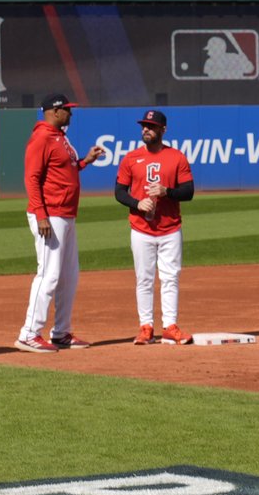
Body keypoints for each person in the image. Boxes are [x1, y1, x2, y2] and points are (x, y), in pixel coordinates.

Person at [17, 93, 107, 354]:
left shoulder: (59, 136)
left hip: (65, 214)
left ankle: (61, 332)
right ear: (54, 111)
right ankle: (29, 334)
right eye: (67, 109)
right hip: (50, 215)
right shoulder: (42, 137)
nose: (71, 113)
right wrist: (40, 213)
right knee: (49, 274)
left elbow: (63, 170)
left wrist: (85, 162)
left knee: (69, 276)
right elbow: (32, 178)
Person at [114, 109, 196, 345]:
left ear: (163, 130)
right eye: (143, 126)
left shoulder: (177, 157)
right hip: (141, 228)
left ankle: (170, 326)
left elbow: (188, 192)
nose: (146, 130)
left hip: (170, 228)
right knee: (144, 278)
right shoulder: (131, 158)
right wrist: (137, 203)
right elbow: (119, 192)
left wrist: (166, 192)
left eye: (151, 126)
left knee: (170, 277)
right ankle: (146, 327)